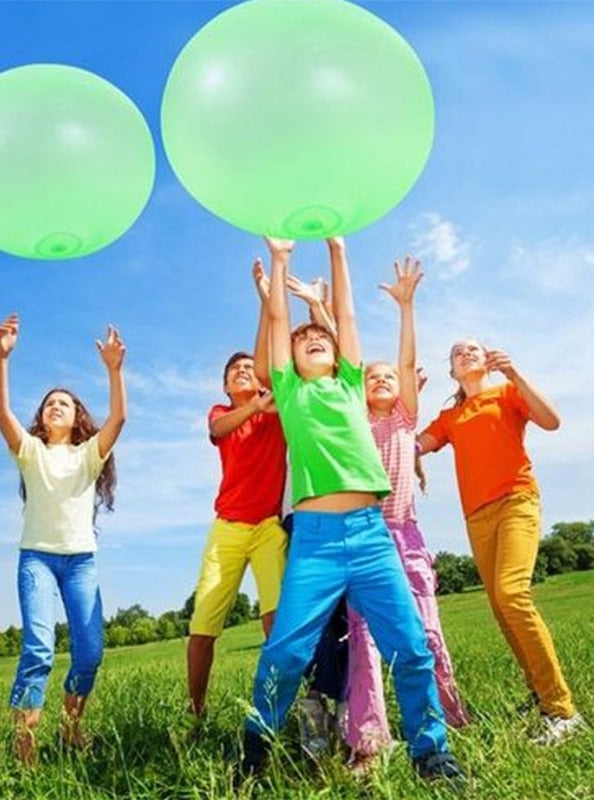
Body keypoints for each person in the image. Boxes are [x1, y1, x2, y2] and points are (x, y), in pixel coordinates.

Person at [238, 237, 464, 786]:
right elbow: (276, 321)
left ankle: (431, 753)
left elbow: (346, 313)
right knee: (286, 654)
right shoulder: (289, 392)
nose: (314, 339)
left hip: (370, 536)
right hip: (314, 539)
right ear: (288, 361)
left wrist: (338, 248)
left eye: (321, 338)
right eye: (304, 340)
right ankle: (254, 753)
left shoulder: (350, 382)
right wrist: (282, 261)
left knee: (410, 647)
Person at [418, 339, 585, 746]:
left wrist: (516, 373)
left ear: (488, 361)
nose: (465, 353)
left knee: (512, 594)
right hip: (477, 516)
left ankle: (563, 710)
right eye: (457, 352)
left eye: (473, 348)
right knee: (499, 606)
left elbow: (552, 421)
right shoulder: (452, 415)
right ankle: (540, 694)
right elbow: (415, 443)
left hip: (516, 501)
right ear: (453, 372)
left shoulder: (508, 392)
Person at [340, 257, 471, 773]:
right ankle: (369, 740)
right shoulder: (352, 421)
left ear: (402, 387)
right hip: (365, 539)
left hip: (406, 536)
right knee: (364, 641)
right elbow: (345, 358)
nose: (380, 380)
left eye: (388, 376)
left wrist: (406, 307)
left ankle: (450, 717)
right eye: (371, 377)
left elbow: (406, 356)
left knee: (427, 632)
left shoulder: (403, 417)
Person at [0, 313, 126, 765]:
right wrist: (2, 357)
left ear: (76, 416)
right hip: (38, 562)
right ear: (42, 418)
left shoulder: (88, 455)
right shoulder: (30, 452)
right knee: (39, 648)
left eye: (64, 403)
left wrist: (114, 370)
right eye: (50, 402)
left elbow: (119, 418)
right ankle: (24, 746)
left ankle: (70, 728)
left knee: (89, 653)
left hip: (81, 562)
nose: (56, 406)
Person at [186, 265, 288, 718]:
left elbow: (266, 350)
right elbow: (218, 428)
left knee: (276, 620)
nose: (245, 371)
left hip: (268, 527)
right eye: (235, 371)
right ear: (226, 387)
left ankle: (274, 708)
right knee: (203, 625)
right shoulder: (223, 413)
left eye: (250, 368)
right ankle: (197, 710)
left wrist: (266, 299)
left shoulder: (275, 410)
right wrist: (252, 407)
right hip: (228, 528)